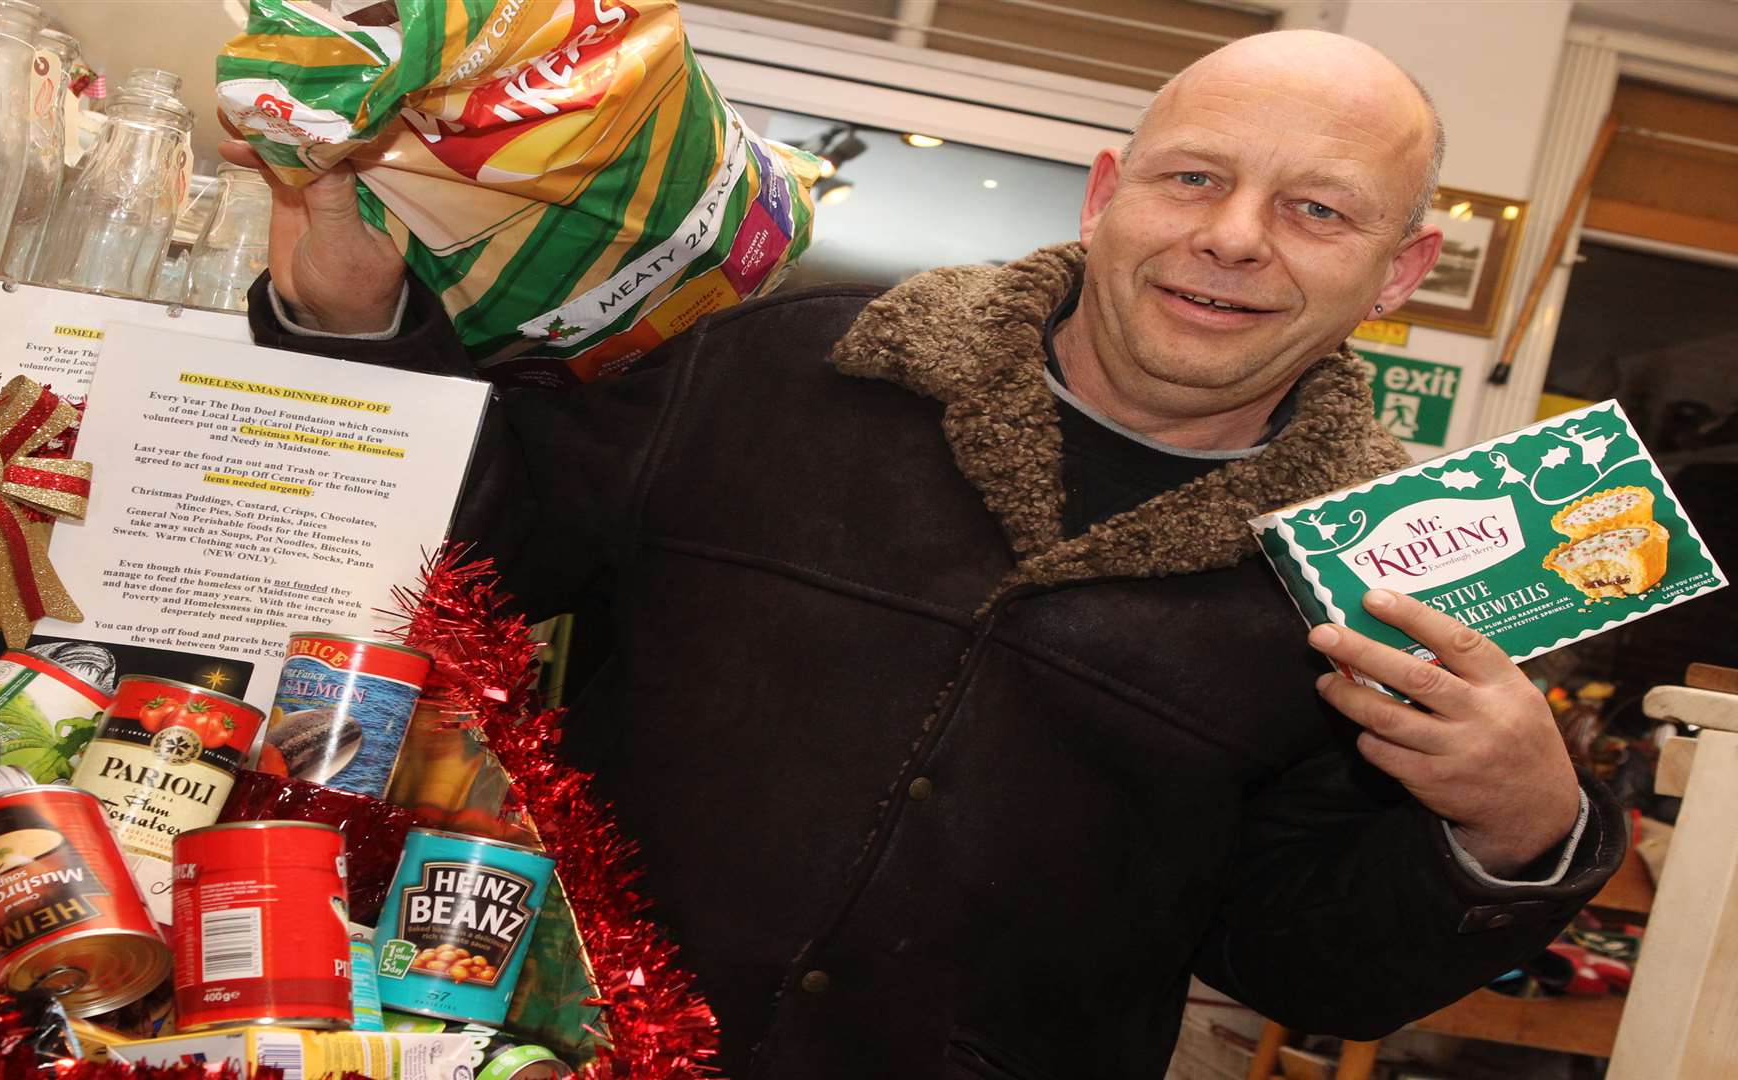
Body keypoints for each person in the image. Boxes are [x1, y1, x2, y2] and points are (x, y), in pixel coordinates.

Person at [234, 29, 1625, 1079]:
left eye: (1319, 211)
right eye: (1194, 177)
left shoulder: (1373, 583)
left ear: (1401, 270)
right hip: (532, 1047)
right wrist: (352, 327)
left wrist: (1519, 830)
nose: (1234, 238)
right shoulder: (782, 367)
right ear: (1106, 190)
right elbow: (466, 563)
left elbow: (1303, 966)